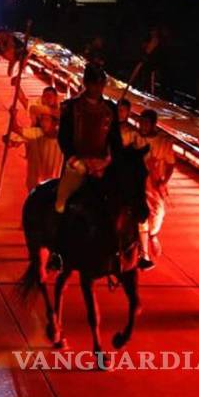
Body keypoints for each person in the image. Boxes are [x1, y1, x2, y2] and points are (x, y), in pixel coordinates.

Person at [51, 64, 121, 272]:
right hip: (77, 164)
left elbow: (114, 140)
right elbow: (64, 137)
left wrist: (109, 160)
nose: (97, 88)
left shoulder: (111, 109)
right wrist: (75, 160)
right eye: (93, 83)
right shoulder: (71, 107)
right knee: (61, 203)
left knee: (122, 203)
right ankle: (57, 250)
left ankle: (122, 249)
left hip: (103, 165)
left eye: (100, 84)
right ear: (86, 83)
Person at [121, 108, 172, 270]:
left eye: (146, 122)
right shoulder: (134, 137)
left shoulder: (163, 142)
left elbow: (171, 163)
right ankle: (144, 255)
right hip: (137, 185)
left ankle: (153, 235)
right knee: (141, 217)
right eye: (141, 121)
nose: (142, 125)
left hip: (155, 184)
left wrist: (164, 180)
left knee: (158, 213)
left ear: (153, 124)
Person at [10, 85, 64, 190]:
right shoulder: (38, 130)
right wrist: (13, 116)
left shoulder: (62, 117)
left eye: (50, 96)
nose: (47, 99)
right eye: (45, 96)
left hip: (54, 167)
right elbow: (19, 129)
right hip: (37, 156)